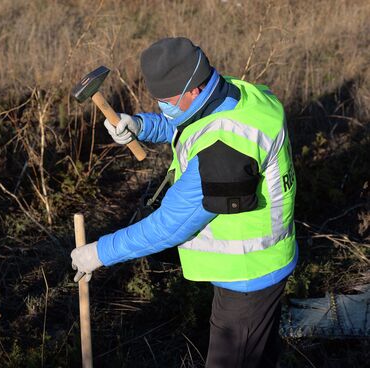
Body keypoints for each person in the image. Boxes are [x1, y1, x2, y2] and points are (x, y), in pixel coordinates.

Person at [70, 37, 297, 368]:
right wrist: (140, 125)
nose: (163, 106)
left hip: (249, 275)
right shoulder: (234, 93)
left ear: (193, 88)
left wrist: (99, 253)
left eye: (165, 101)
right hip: (255, 269)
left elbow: (170, 225)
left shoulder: (226, 152)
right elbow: (190, 123)